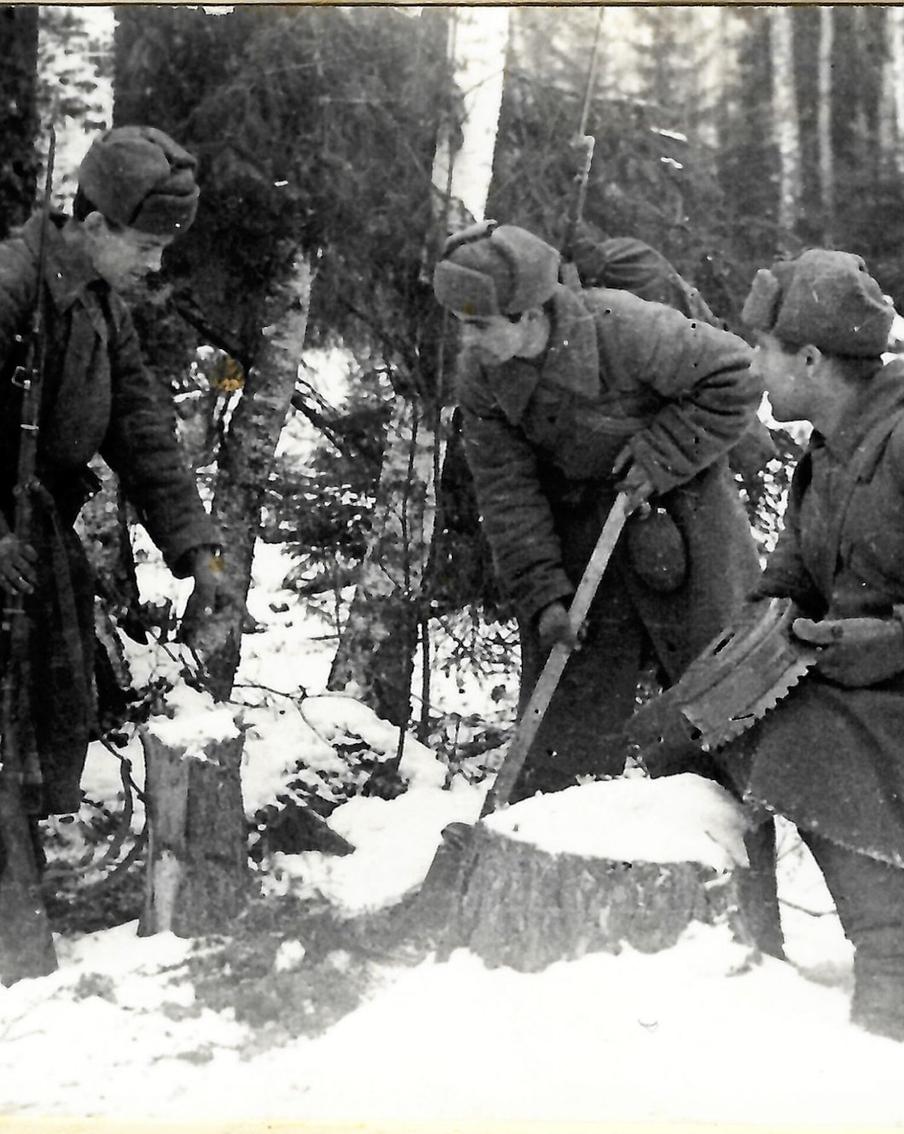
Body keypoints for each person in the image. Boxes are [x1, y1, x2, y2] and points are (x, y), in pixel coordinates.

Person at [432, 220, 784, 956]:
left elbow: (737, 375)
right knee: (561, 733)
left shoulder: (628, 327)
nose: (468, 341)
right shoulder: (485, 377)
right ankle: (552, 931)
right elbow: (507, 489)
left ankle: (747, 930)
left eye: (481, 325)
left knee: (717, 715)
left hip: (682, 520)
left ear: (530, 315)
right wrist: (543, 594)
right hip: (578, 541)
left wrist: (662, 454)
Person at [0, 125, 222, 831]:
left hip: (32, 539)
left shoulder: (97, 301)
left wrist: (195, 549)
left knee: (58, 706)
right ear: (94, 224)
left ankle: (22, 876)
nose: (155, 267)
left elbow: (142, 428)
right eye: (147, 247)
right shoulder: (13, 285)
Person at [719, 248, 904, 1040]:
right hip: (871, 682)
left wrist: (883, 641)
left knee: (803, 734)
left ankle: (892, 956)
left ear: (810, 357)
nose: (755, 366)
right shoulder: (829, 449)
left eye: (763, 349)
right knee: (703, 722)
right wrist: (746, 647)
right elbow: (791, 573)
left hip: (888, 686)